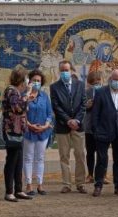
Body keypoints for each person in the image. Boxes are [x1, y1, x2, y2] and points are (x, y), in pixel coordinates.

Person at [91, 69, 118, 197]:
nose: (117, 82)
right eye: (116, 79)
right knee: (101, 159)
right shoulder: (101, 92)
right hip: (103, 132)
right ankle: (98, 185)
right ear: (110, 79)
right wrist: (96, 129)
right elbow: (95, 113)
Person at [50, 60, 87, 194]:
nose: (65, 73)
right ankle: (66, 184)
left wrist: (76, 120)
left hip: (78, 126)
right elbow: (56, 106)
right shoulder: (54, 87)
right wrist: (68, 120)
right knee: (64, 156)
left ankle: (80, 183)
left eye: (67, 70)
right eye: (62, 70)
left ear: (71, 70)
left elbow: (83, 104)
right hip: (62, 126)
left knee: (80, 155)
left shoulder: (80, 85)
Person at [2, 68, 34, 202]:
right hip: (11, 131)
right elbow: (18, 108)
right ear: (21, 79)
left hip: (18, 130)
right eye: (26, 78)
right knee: (12, 160)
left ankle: (19, 190)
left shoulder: (17, 92)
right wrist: (27, 94)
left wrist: (26, 98)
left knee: (19, 160)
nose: (28, 81)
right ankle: (9, 191)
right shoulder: (11, 90)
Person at [23, 69, 52, 196]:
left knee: (40, 158)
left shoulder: (44, 96)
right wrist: (30, 125)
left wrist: (45, 126)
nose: (36, 82)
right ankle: (29, 185)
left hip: (43, 133)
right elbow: (21, 113)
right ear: (29, 81)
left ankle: (40, 184)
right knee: (28, 158)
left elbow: (49, 114)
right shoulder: (25, 95)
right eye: (34, 80)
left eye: (38, 81)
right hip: (28, 132)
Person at [83, 70, 102, 184]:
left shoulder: (105, 92)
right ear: (90, 83)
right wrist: (87, 105)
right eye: (94, 83)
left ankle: (102, 175)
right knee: (90, 152)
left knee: (101, 153)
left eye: (98, 82)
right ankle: (90, 175)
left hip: (102, 127)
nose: (97, 84)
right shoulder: (86, 92)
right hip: (89, 127)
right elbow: (81, 107)